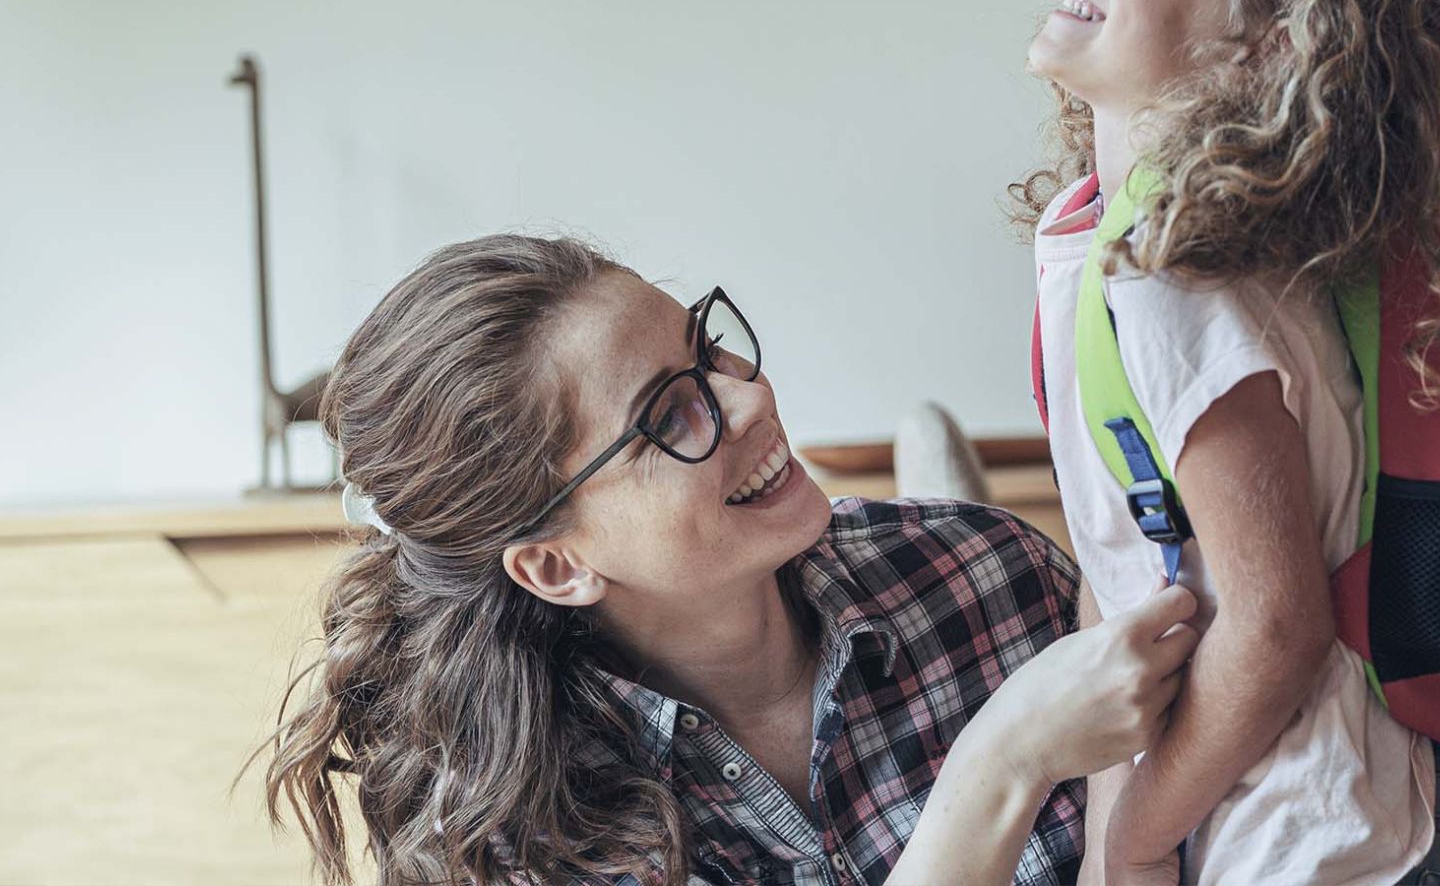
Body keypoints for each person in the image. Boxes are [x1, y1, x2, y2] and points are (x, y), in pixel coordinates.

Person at [242, 234, 1200, 885]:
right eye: (668, 417)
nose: (750, 401)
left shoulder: (983, 574)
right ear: (555, 565)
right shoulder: (521, 834)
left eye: (711, 352)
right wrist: (1007, 759)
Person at [1020, 0, 1440, 883]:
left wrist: (1135, 838)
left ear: (1264, 44)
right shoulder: (1132, 238)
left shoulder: (1173, 277)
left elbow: (1275, 629)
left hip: (1307, 845)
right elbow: (1125, 571)